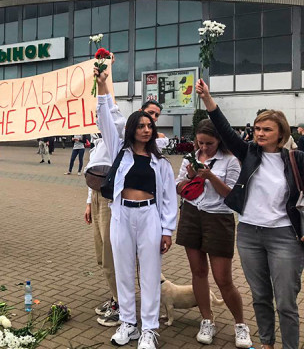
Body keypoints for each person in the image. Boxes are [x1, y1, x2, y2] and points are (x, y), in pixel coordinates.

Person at [196, 79, 304, 349]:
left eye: (267, 129)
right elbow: (223, 127)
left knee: (286, 301)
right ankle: (267, 344)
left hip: (284, 236)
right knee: (260, 296)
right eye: (257, 128)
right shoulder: (249, 154)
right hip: (248, 234)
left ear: (281, 134)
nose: (260, 133)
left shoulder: (296, 159)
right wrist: (208, 99)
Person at [95, 67, 177, 349]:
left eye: (149, 126)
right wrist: (103, 86)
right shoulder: (120, 149)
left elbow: (168, 200)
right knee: (124, 270)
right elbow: (105, 118)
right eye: (140, 126)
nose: (145, 129)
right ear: (131, 129)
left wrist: (167, 230)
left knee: (151, 273)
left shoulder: (161, 162)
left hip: (148, 216)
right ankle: (128, 324)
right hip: (121, 215)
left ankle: (150, 329)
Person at [175, 119, 252, 347]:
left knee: (223, 279)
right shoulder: (190, 158)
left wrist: (210, 177)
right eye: (200, 143)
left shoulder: (230, 161)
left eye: (209, 143)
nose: (204, 148)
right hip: (191, 214)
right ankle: (207, 319)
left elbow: (231, 195)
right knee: (198, 271)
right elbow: (178, 186)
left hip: (219, 218)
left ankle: (241, 324)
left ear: (219, 140)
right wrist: (189, 177)